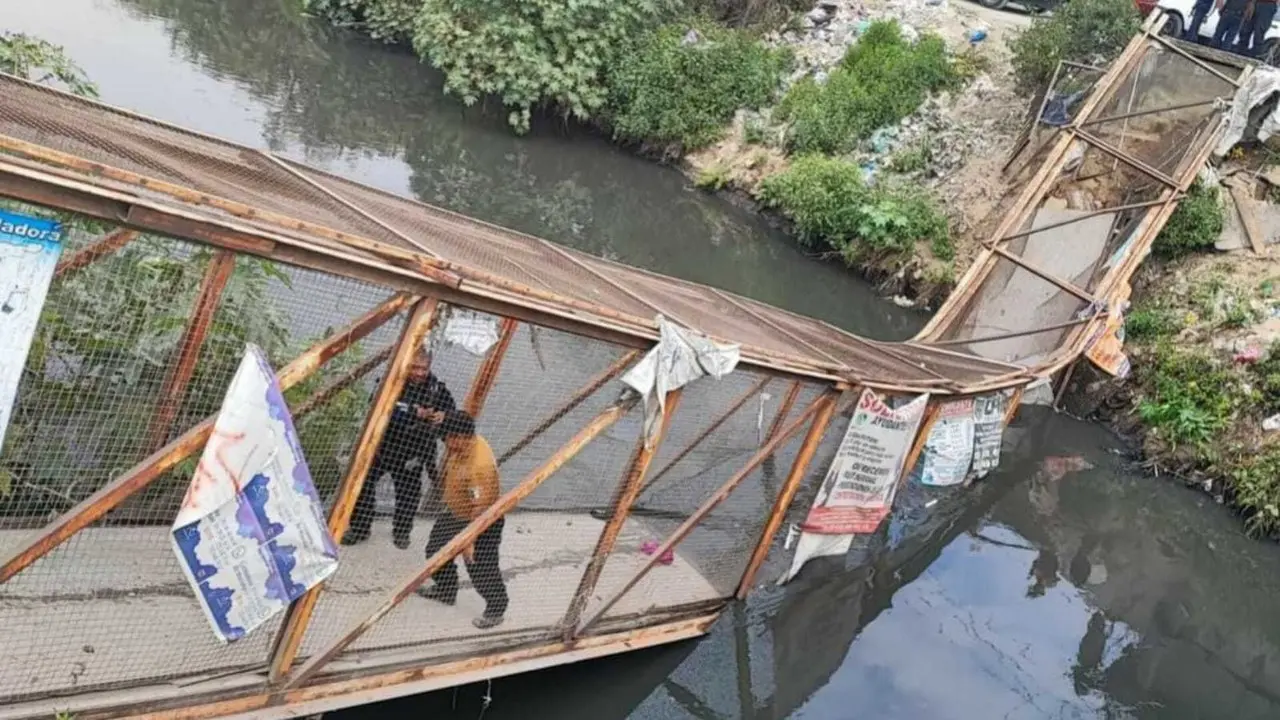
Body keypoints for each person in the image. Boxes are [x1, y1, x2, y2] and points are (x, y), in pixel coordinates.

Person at [344, 353, 472, 549]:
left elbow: (452, 412)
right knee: (363, 485)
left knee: (409, 494)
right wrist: (414, 412)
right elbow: (378, 407)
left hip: (413, 450)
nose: (419, 373)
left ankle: (402, 532)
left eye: (424, 368)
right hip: (383, 446)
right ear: (406, 365)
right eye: (415, 368)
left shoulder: (436, 389)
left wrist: (443, 415)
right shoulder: (390, 383)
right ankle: (360, 528)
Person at [416, 418, 508, 630]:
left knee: (480, 567)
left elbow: (481, 508)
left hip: (481, 522)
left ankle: (496, 607)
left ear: (459, 437)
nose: (446, 444)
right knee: (435, 552)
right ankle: (446, 590)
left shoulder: (480, 467)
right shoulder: (464, 445)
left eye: (448, 439)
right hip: (456, 512)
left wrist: (469, 540)